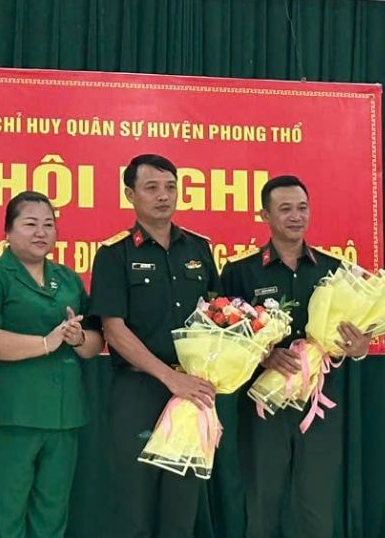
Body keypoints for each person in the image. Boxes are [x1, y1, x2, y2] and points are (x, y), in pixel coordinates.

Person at [219, 175, 370, 538]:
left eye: (302, 208)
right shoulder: (240, 272)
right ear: (264, 216)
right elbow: (223, 341)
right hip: (262, 408)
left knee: (316, 509)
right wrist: (264, 356)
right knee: (262, 507)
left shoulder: (334, 269)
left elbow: (361, 337)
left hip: (320, 406)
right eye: (284, 209)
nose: (295, 216)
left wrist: (359, 347)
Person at [0, 190, 104, 538]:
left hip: (61, 418)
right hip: (4, 417)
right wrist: (45, 342)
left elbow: (95, 341)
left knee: (50, 519)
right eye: (30, 224)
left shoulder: (67, 279)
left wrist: (78, 338)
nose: (41, 232)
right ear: (7, 231)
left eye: (49, 225)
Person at [87, 154, 219, 538]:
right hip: (138, 390)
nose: (163, 196)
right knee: (136, 500)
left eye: (170, 187)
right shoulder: (115, 253)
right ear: (130, 194)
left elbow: (220, 317)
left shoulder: (199, 249)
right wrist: (167, 377)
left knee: (183, 501)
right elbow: (113, 329)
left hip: (192, 392)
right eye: (151, 188)